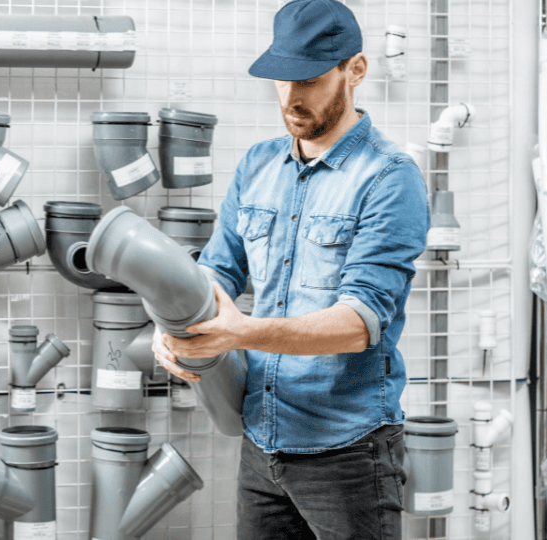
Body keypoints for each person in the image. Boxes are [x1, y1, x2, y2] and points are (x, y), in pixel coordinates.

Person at [151, 0, 430, 538]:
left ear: (356, 71)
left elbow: (358, 323)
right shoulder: (256, 165)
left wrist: (243, 332)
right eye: (282, 78)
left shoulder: (390, 178)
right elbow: (216, 273)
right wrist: (173, 328)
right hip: (262, 443)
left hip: (348, 453)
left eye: (310, 78)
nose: (292, 96)